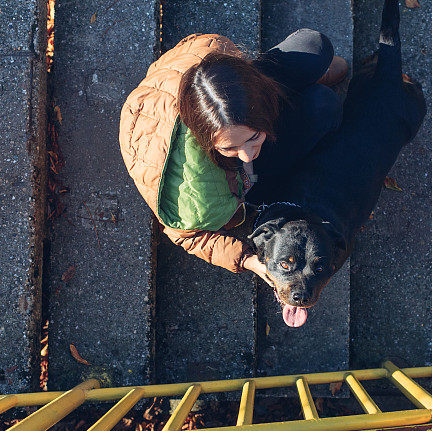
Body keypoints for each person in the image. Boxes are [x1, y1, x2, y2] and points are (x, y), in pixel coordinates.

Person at [119, 30, 348, 285]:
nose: (248, 155)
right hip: (233, 179)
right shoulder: (190, 193)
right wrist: (248, 260)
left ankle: (303, 84)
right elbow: (188, 237)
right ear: (204, 140)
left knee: (314, 47)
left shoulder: (212, 62)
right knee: (324, 105)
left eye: (254, 138)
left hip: (231, 97)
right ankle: (306, 93)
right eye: (229, 148)